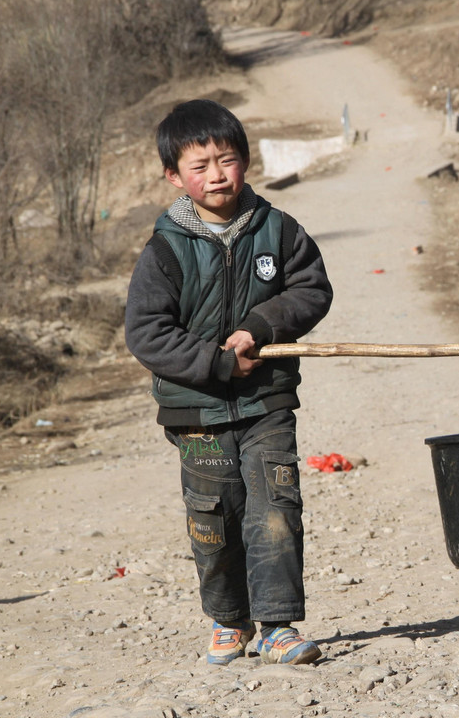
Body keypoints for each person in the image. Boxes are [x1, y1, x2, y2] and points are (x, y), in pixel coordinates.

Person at [125, 99, 334, 664]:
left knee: (275, 507)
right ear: (174, 176)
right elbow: (146, 333)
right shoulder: (166, 248)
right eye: (201, 165)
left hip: (266, 401)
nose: (217, 174)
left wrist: (259, 328)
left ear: (246, 161)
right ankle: (228, 619)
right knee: (214, 517)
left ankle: (277, 626)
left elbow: (312, 290)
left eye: (228, 159)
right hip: (196, 412)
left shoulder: (278, 229)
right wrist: (217, 364)